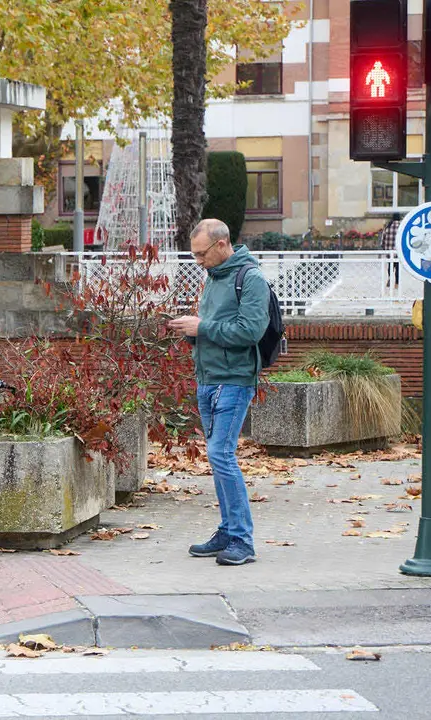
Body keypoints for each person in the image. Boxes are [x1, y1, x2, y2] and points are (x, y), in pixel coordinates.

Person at [168, 218, 270, 567]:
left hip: (234, 379)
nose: (198, 261)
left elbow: (250, 331)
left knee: (221, 454)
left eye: (201, 254)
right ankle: (228, 531)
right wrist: (191, 331)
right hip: (208, 377)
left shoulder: (251, 279)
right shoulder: (214, 279)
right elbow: (215, 329)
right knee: (217, 456)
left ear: (222, 245)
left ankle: (242, 539)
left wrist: (202, 327)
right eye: (194, 254)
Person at [381, 212, 402, 290]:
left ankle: (390, 278)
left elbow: (383, 237)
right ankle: (396, 283)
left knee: (390, 266)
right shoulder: (401, 226)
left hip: (389, 251)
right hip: (398, 252)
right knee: (398, 267)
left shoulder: (388, 226)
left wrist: (384, 247)